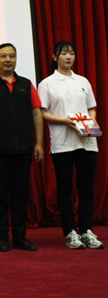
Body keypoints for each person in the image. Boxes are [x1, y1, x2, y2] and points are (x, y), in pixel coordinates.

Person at [0, 43, 44, 252]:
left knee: (21, 196)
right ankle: (2, 237)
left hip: (24, 148)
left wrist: (39, 143)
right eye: (3, 56)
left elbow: (36, 113)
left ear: (16, 59)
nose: (8, 60)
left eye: (11, 56)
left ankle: (20, 237)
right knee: (0, 195)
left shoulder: (26, 84)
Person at [38, 41, 104, 250]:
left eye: (72, 53)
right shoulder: (47, 83)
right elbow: (42, 112)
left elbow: (91, 107)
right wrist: (66, 121)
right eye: (64, 53)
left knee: (86, 188)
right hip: (63, 142)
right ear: (54, 57)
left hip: (87, 140)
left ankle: (87, 230)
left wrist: (92, 121)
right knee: (65, 188)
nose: (69, 57)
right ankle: (70, 232)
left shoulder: (82, 81)